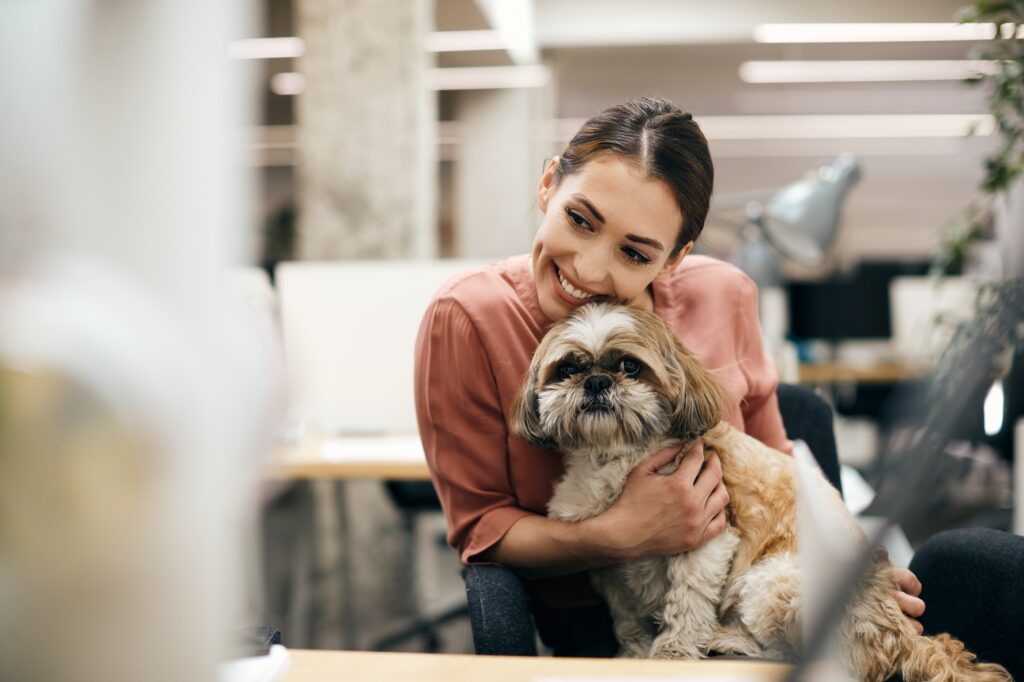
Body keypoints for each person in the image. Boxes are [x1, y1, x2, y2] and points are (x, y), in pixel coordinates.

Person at [413, 97, 925, 657]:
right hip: (600, 630)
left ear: (676, 257)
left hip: (754, 606)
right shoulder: (467, 318)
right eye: (580, 220)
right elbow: (481, 529)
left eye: (635, 253)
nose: (588, 268)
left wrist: (846, 563)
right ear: (548, 186)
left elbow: (777, 465)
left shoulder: (725, 294)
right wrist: (613, 535)